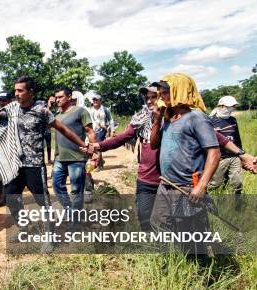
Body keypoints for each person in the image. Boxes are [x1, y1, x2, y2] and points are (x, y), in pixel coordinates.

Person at [84, 83, 256, 231]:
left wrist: (242, 154)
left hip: (171, 181)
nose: (151, 100)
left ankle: (188, 258)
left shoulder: (176, 117)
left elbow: (218, 139)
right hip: (146, 178)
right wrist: (99, 146)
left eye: (155, 96)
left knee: (182, 223)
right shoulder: (141, 118)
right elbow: (123, 137)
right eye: (148, 97)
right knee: (146, 219)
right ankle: (157, 253)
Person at [0, 77, 88, 227]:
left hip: (34, 165)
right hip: (15, 164)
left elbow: (63, 129)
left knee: (43, 203)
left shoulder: (41, 111)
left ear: (31, 92)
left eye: (20, 90)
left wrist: (83, 145)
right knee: (10, 197)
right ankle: (24, 226)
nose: (16, 94)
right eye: (15, 90)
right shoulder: (12, 108)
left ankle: (50, 236)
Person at [149, 73, 220, 258]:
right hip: (166, 185)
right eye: (161, 92)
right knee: (158, 223)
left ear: (179, 92)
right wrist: (157, 120)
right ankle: (170, 266)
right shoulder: (168, 117)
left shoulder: (196, 117)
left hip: (187, 187)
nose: (162, 96)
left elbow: (214, 152)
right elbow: (154, 144)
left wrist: (202, 186)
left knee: (190, 235)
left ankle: (203, 275)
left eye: (166, 92)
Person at [52, 88, 96, 215]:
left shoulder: (80, 111)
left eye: (60, 97)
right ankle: (69, 209)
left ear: (69, 97)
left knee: (76, 190)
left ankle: (75, 218)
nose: (57, 99)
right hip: (59, 158)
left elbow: (90, 132)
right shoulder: (57, 116)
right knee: (56, 185)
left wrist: (95, 153)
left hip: (77, 158)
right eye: (56, 97)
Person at [208, 96, 243, 194]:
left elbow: (237, 138)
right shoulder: (210, 120)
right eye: (228, 106)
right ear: (221, 106)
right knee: (215, 184)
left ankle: (237, 204)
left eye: (233, 107)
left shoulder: (233, 120)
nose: (230, 109)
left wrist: (241, 154)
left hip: (234, 156)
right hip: (220, 158)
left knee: (237, 182)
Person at [88, 93, 113, 169]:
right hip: (92, 130)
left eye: (96, 100)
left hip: (102, 130)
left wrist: (112, 130)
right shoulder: (90, 110)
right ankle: (101, 161)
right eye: (93, 100)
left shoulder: (105, 110)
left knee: (97, 145)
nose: (95, 101)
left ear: (100, 101)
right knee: (94, 146)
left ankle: (98, 164)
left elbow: (111, 120)